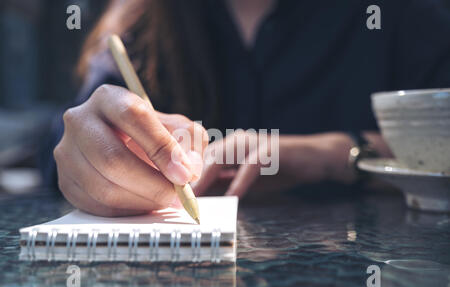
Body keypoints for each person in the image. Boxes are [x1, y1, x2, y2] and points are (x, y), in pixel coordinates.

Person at [43, 0, 450, 216]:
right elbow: (64, 143)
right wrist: (88, 153)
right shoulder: (140, 24)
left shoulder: (402, 15)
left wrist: (340, 154)